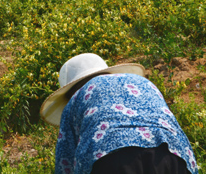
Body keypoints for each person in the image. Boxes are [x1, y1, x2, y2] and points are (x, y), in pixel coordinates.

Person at [40, 53, 197, 174]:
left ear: (70, 92)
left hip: (113, 158)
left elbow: (65, 160)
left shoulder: (76, 99)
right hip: (172, 153)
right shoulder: (142, 82)